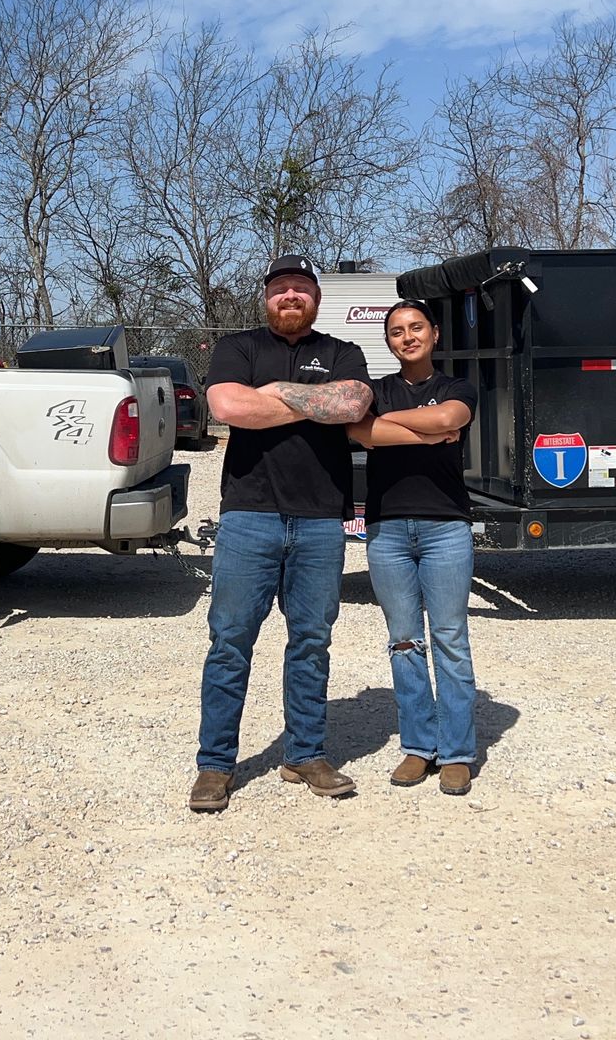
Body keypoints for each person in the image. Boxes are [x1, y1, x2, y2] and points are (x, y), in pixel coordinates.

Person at [188, 254, 373, 814]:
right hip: (249, 515)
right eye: (280, 289)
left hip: (321, 519)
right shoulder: (237, 348)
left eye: (300, 288)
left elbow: (355, 402)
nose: (290, 296)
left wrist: (273, 395)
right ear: (266, 297)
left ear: (316, 297)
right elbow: (226, 406)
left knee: (312, 642)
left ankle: (306, 754)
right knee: (230, 642)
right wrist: (313, 403)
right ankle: (215, 766)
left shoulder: (345, 352)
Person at [346, 300, 480, 795]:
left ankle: (459, 752)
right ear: (389, 340)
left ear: (434, 333)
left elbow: (452, 415)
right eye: (397, 331)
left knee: (449, 638)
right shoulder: (374, 390)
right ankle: (418, 747)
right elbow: (360, 430)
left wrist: (396, 428)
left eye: (416, 327)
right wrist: (427, 434)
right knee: (404, 640)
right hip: (387, 530)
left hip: (446, 527)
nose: (407, 337)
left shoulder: (455, 386)